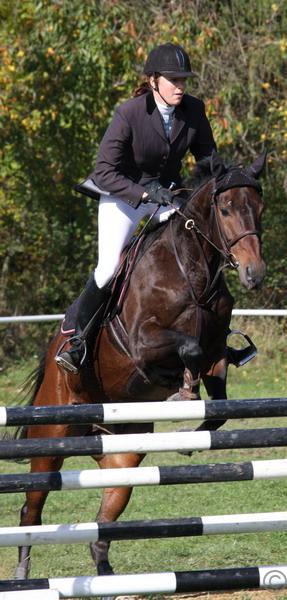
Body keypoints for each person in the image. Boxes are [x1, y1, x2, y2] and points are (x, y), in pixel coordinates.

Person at [55, 42, 216, 374]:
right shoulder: (129, 113)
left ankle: (218, 338)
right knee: (108, 267)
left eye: (184, 80)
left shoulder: (194, 111)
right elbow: (104, 171)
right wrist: (143, 194)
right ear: (153, 80)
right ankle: (78, 342)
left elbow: (209, 162)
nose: (181, 86)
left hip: (167, 197)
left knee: (201, 249)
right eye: (174, 80)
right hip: (124, 197)